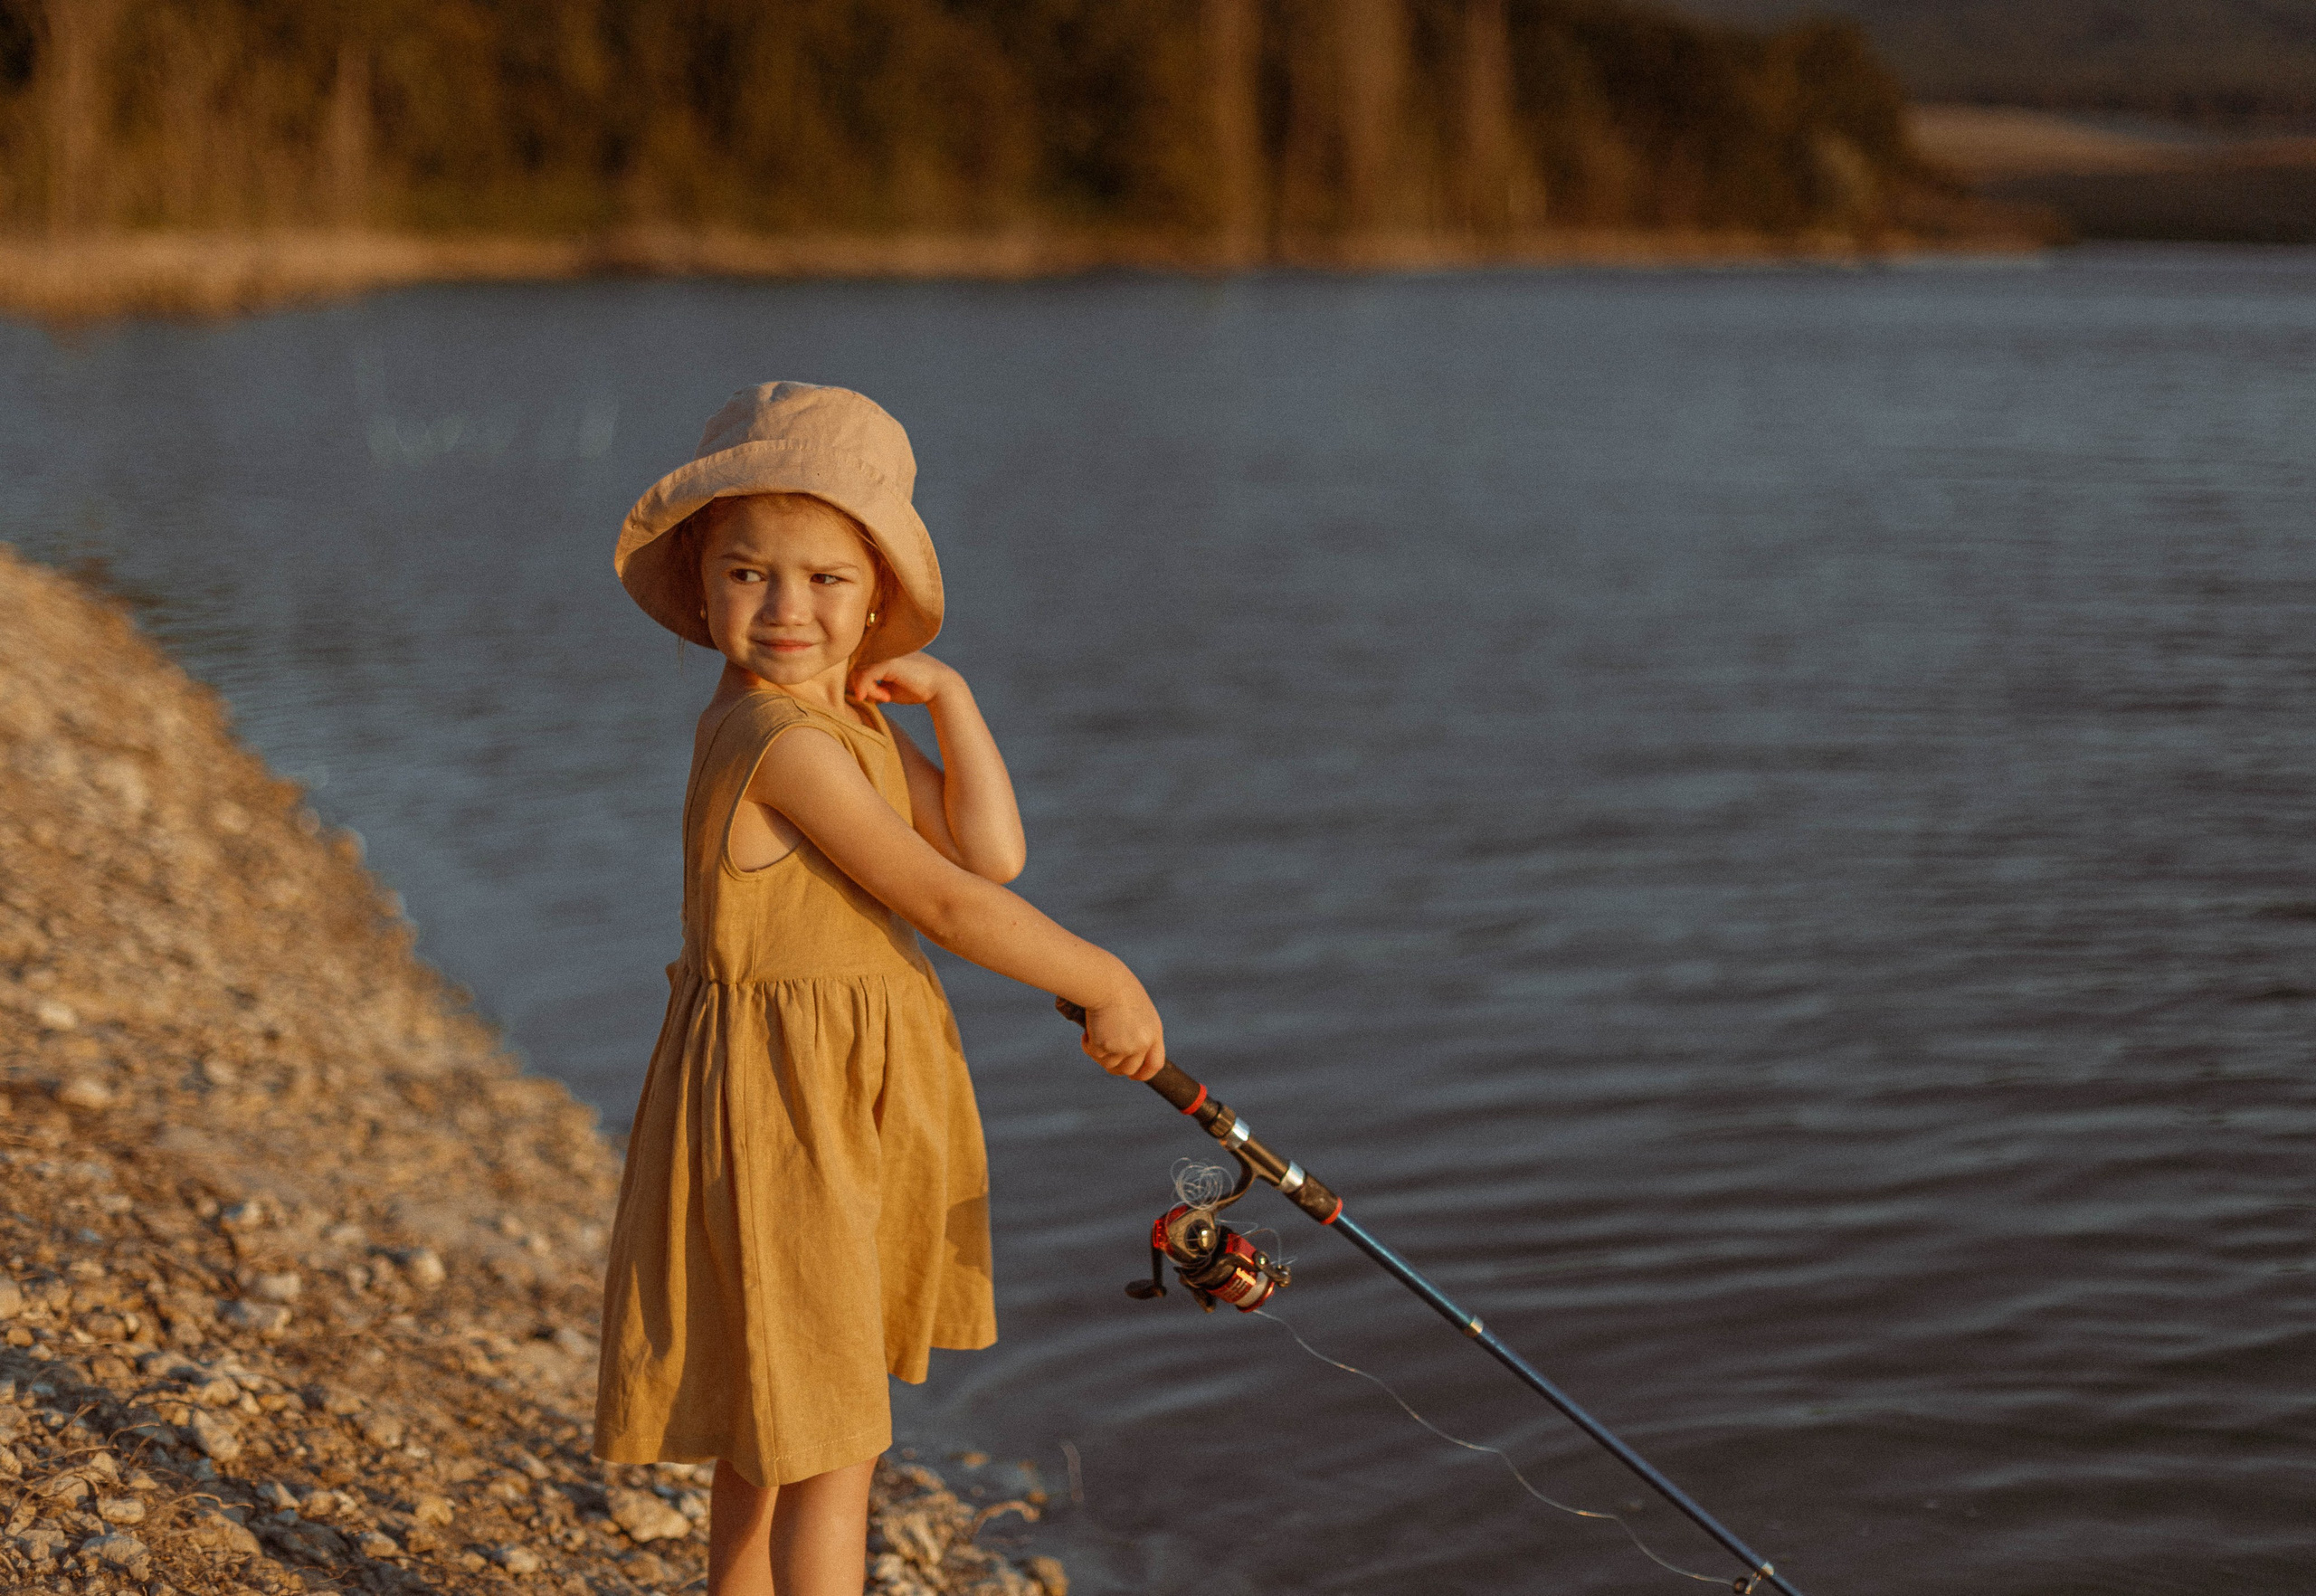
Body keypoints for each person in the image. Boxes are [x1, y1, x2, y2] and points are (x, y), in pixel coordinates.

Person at [593, 382, 1164, 1596]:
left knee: (782, 1420)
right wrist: (1102, 976)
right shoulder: (779, 743)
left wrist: (952, 701)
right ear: (703, 585)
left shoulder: (834, 715)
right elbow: (950, 906)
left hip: (832, 1102)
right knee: (831, 1440)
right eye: (752, 574)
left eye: (826, 580)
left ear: (877, 600)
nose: (788, 608)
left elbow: (989, 852)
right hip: (784, 1113)